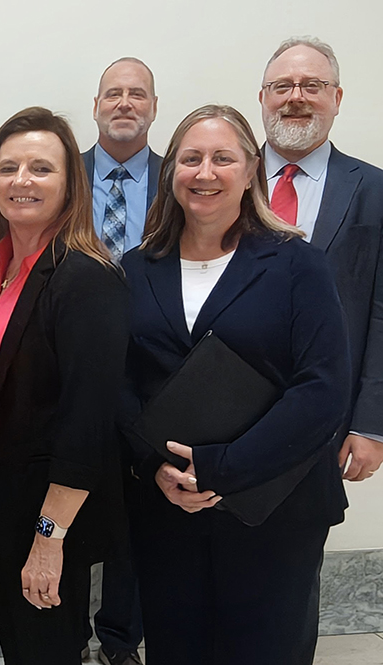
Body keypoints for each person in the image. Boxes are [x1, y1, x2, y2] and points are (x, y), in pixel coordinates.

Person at [122, 104, 350, 665]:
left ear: (251, 170)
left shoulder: (298, 264)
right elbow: (119, 382)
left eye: (224, 159)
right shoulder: (134, 268)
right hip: (168, 505)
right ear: (170, 171)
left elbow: (321, 390)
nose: (206, 173)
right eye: (191, 158)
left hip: (276, 509)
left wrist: (224, 467)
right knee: (177, 648)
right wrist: (154, 466)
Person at [0, 107, 129, 665]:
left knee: (47, 648)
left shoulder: (86, 278)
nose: (21, 181)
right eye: (8, 167)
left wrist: (49, 538)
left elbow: (87, 426)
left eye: (40, 169)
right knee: (21, 645)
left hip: (49, 505)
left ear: (70, 185)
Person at [258, 36, 383, 484]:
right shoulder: (219, 181)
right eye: (282, 86)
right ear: (263, 98)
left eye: (312, 85)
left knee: (299, 548)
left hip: (327, 418)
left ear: (337, 97)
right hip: (225, 410)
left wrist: (371, 424)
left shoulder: (375, 191)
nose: (296, 97)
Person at [82, 56, 161, 665]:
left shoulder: (184, 177)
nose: (125, 104)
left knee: (138, 509)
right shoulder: (61, 175)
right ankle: (61, 624)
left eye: (137, 94)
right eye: (114, 94)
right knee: (69, 491)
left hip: (154, 371)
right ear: (96, 107)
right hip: (71, 364)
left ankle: (120, 638)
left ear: (153, 108)